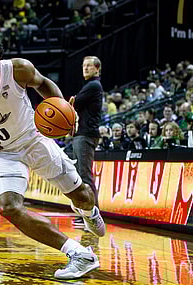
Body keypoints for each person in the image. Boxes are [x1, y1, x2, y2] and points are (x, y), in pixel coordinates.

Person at [0, 30, 106, 280]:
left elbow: (42, 84)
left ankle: (88, 212)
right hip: (2, 153)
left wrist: (63, 109)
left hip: (35, 140)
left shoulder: (17, 69)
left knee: (83, 196)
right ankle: (80, 254)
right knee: (7, 207)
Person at [71, 56, 103, 229]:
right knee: (80, 176)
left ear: (97, 69)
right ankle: (85, 215)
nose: (85, 68)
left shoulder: (93, 85)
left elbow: (72, 103)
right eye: (84, 66)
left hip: (86, 135)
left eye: (89, 66)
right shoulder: (89, 86)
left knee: (85, 177)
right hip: (81, 134)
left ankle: (93, 217)